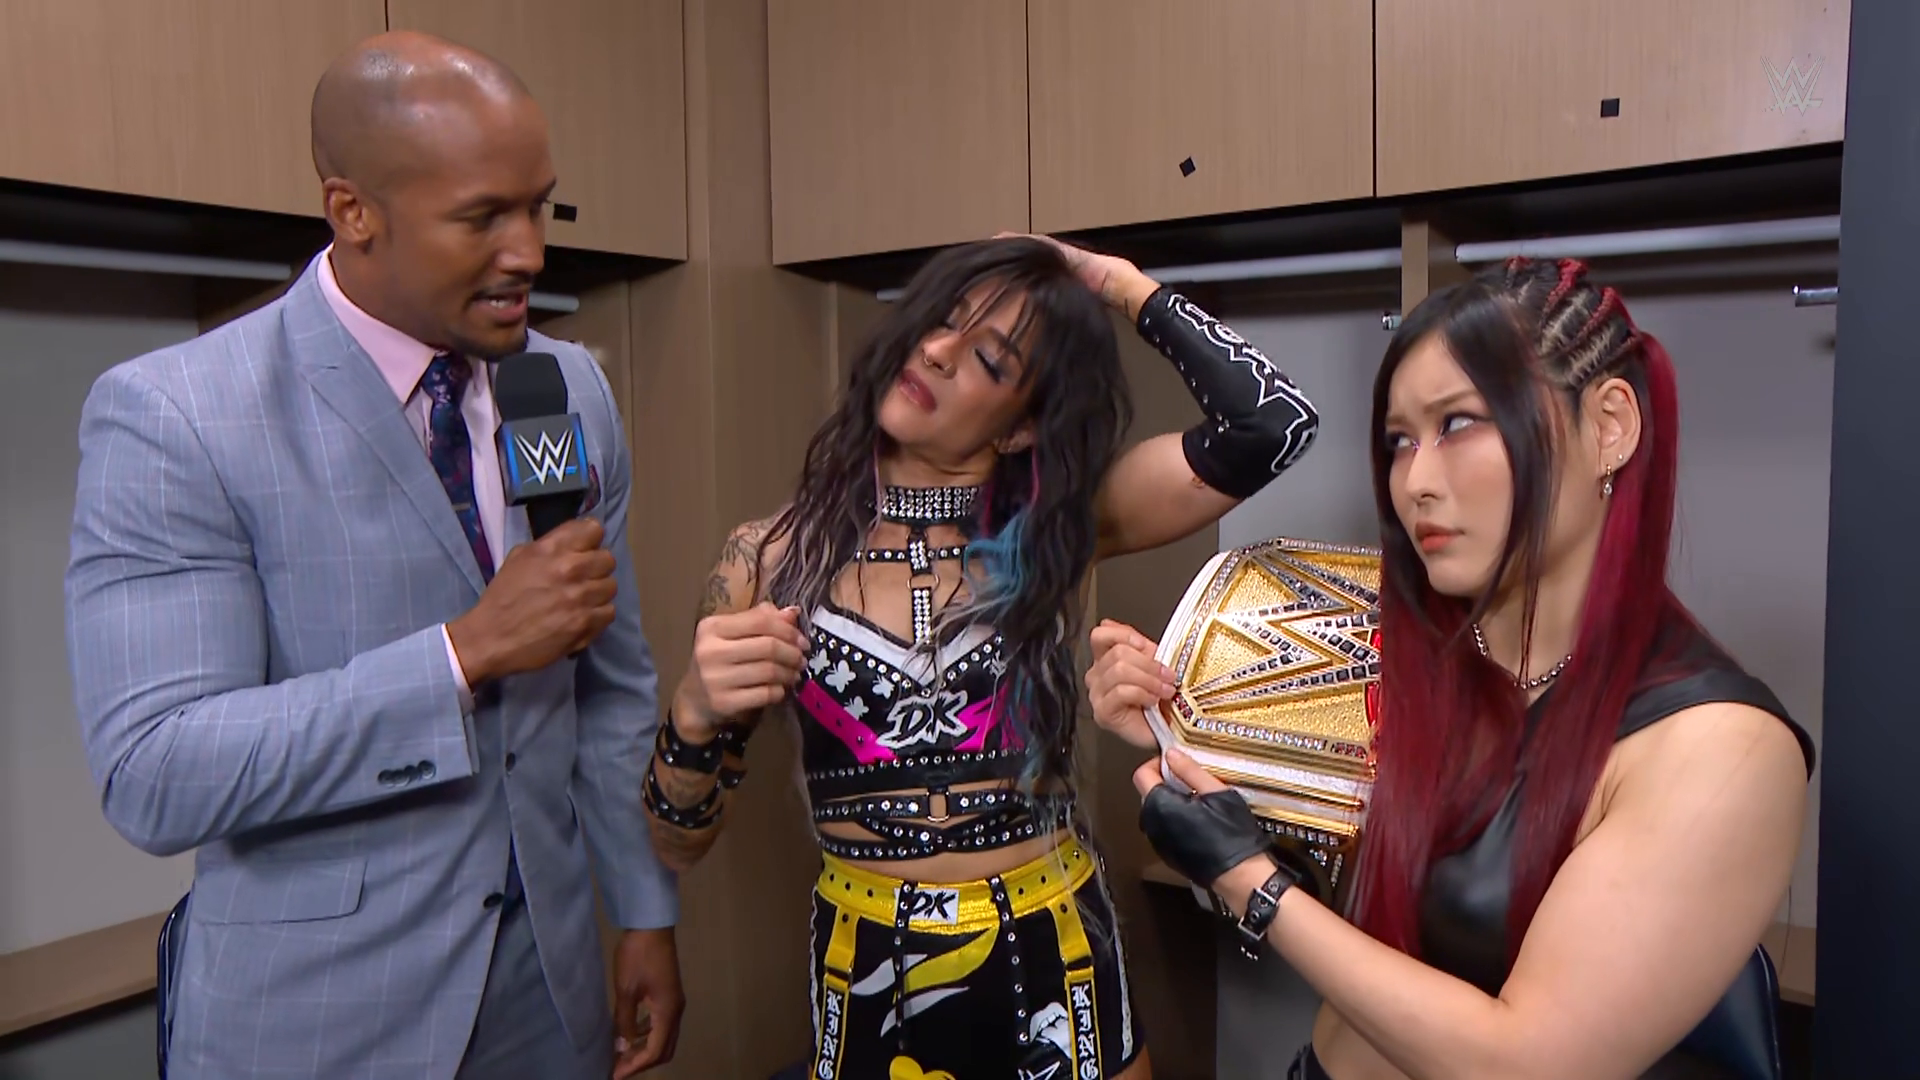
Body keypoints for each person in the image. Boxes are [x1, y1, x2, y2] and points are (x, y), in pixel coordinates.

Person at [64, 31, 682, 1080]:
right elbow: (156, 773)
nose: (529, 253)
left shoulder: (563, 389)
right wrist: (461, 655)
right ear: (354, 212)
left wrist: (642, 907)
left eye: (540, 207)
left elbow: (609, 680)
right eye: (483, 217)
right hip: (321, 1023)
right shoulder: (178, 416)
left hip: (553, 1001)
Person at [1086, 257, 1816, 1079]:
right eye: (1400, 441)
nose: (1416, 482)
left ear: (1609, 426)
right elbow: (1347, 888)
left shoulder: (1723, 748)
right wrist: (1176, 725)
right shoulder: (1406, 650)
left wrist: (1249, 882)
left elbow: (1528, 1064)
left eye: (1460, 424)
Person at [640, 234, 1321, 1078]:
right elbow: (675, 845)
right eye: (938, 320)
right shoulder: (766, 559)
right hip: (867, 978)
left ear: (1022, 426)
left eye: (989, 359)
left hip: (1057, 960)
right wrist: (693, 712)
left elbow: (1272, 424)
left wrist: (1114, 282)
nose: (936, 350)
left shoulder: (1058, 531)